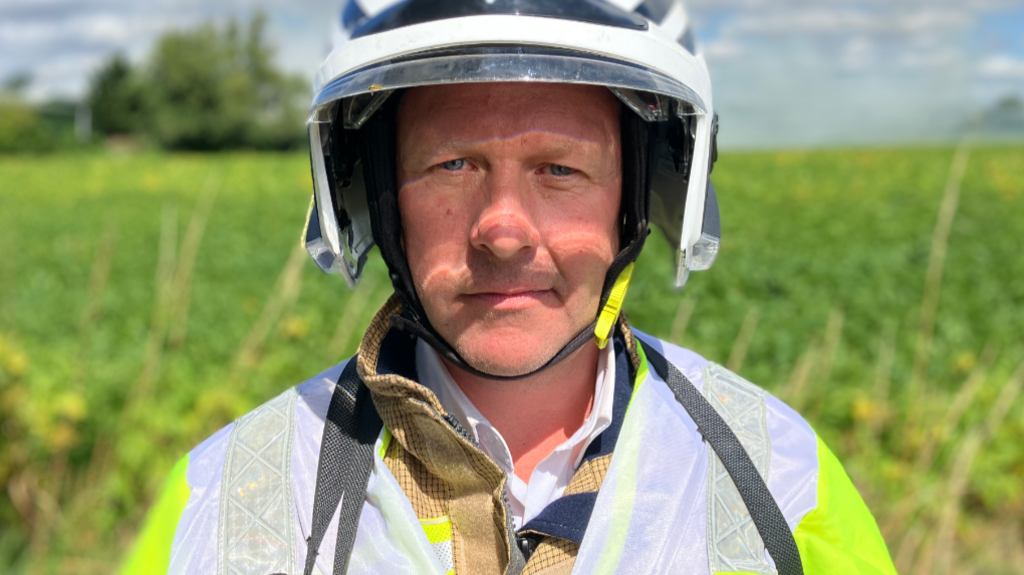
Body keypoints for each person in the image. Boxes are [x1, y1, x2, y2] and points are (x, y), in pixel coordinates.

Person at [121, 1, 898, 574]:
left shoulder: (784, 485)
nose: (502, 229)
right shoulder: (222, 499)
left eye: (559, 169)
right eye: (452, 164)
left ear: (639, 195)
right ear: (380, 196)